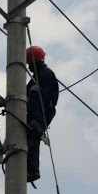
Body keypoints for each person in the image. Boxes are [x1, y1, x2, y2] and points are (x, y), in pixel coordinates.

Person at [26, 45, 59, 183]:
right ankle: (30, 169)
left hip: (44, 112)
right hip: (35, 112)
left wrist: (37, 120)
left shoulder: (46, 74)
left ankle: (33, 169)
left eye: (30, 64)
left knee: (34, 91)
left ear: (37, 62)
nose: (29, 68)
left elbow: (41, 98)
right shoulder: (35, 78)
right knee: (30, 138)